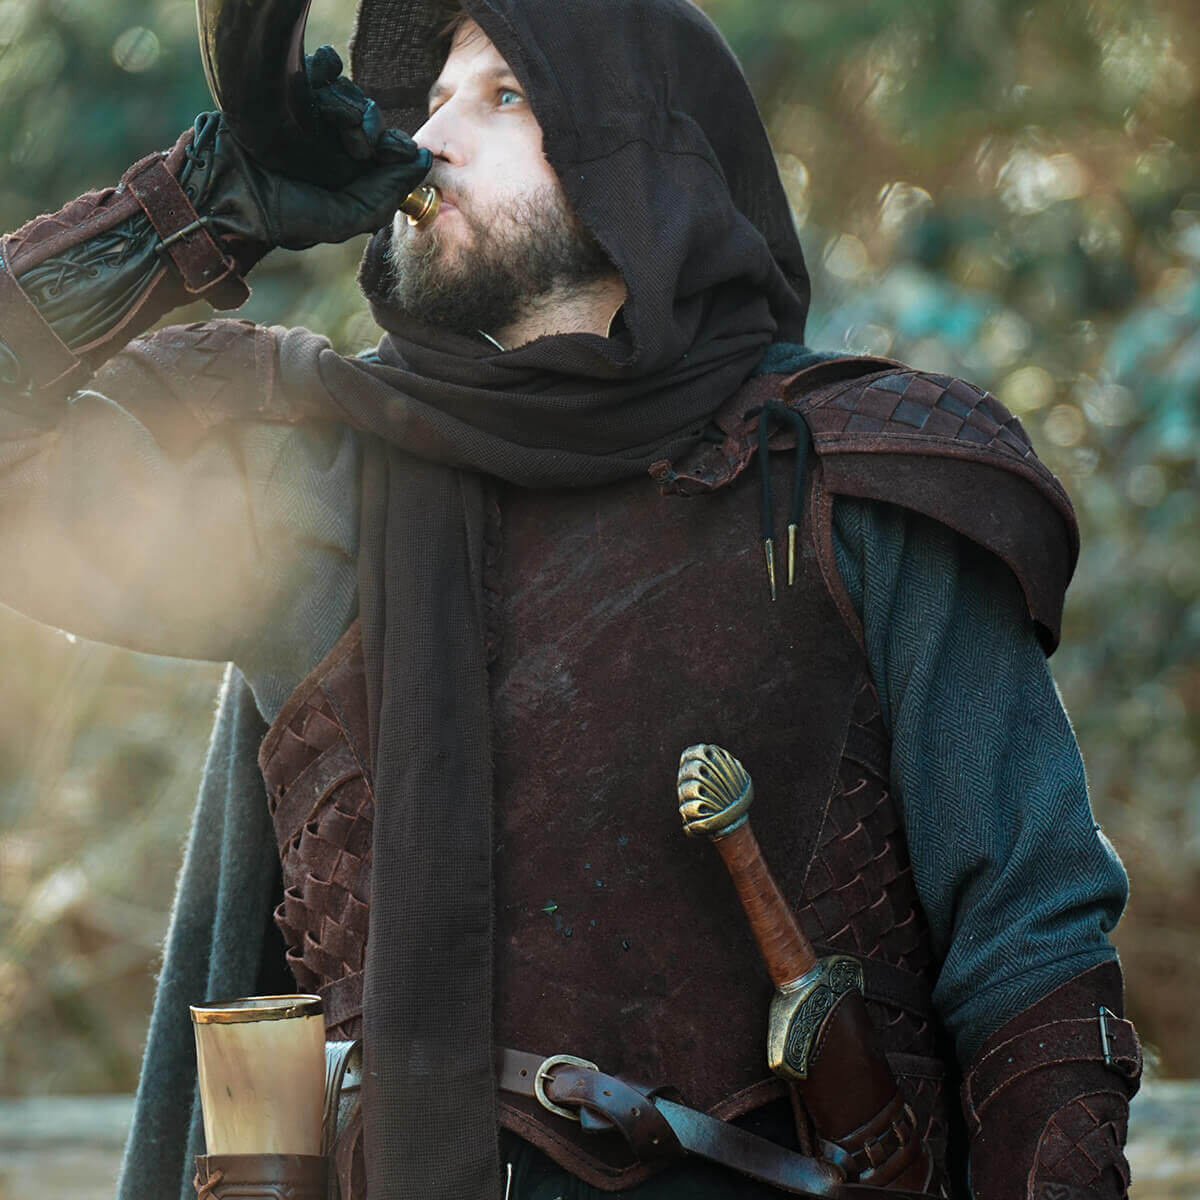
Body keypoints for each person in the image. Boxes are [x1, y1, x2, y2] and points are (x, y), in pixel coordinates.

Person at [0, 1, 1142, 1198]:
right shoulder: (316, 493)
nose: (430, 138)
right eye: (431, 100)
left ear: (645, 150)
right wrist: (200, 206)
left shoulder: (853, 476)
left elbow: (1032, 953)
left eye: (504, 95)